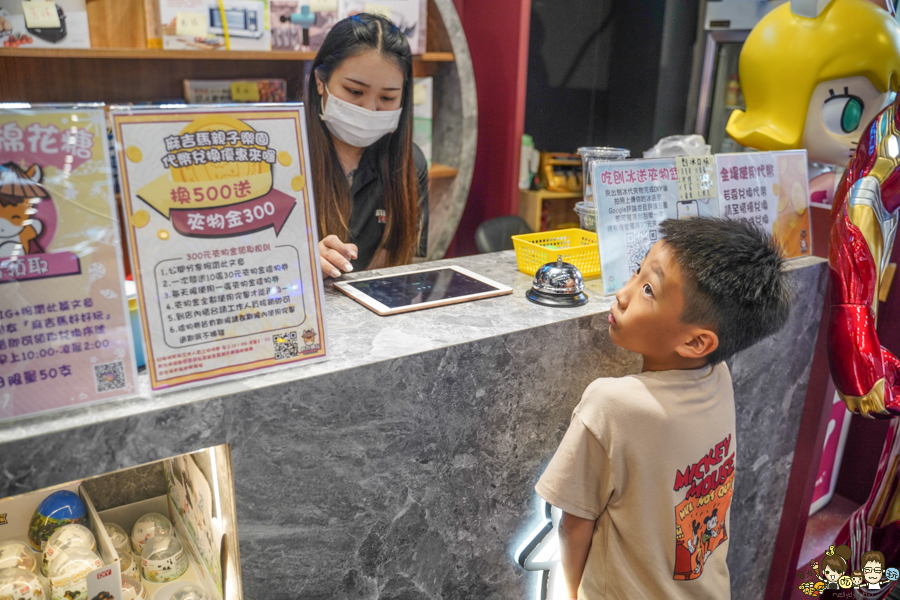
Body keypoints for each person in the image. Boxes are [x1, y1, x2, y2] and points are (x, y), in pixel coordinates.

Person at [535, 217, 792, 599]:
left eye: (649, 290)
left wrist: (569, 593)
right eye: (637, 272)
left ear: (696, 342)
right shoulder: (717, 377)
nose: (623, 294)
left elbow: (573, 526)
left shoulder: (611, 404)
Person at [306, 13, 429, 279]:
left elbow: (410, 266)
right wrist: (298, 259)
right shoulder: (282, 157)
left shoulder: (410, 164)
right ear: (320, 81)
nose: (369, 109)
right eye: (354, 91)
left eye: (387, 97)